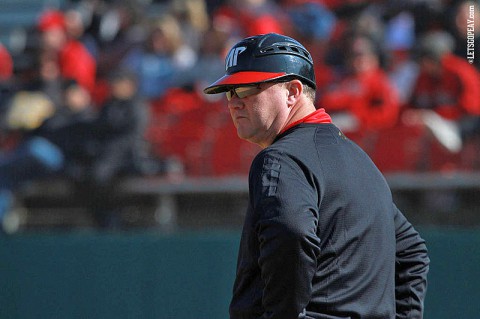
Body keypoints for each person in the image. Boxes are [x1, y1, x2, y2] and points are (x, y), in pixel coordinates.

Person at [203, 33, 429, 319]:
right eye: (230, 92)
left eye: (247, 88)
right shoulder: (358, 159)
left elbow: (291, 231)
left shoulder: (281, 158)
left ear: (293, 92)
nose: (234, 102)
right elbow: (411, 252)